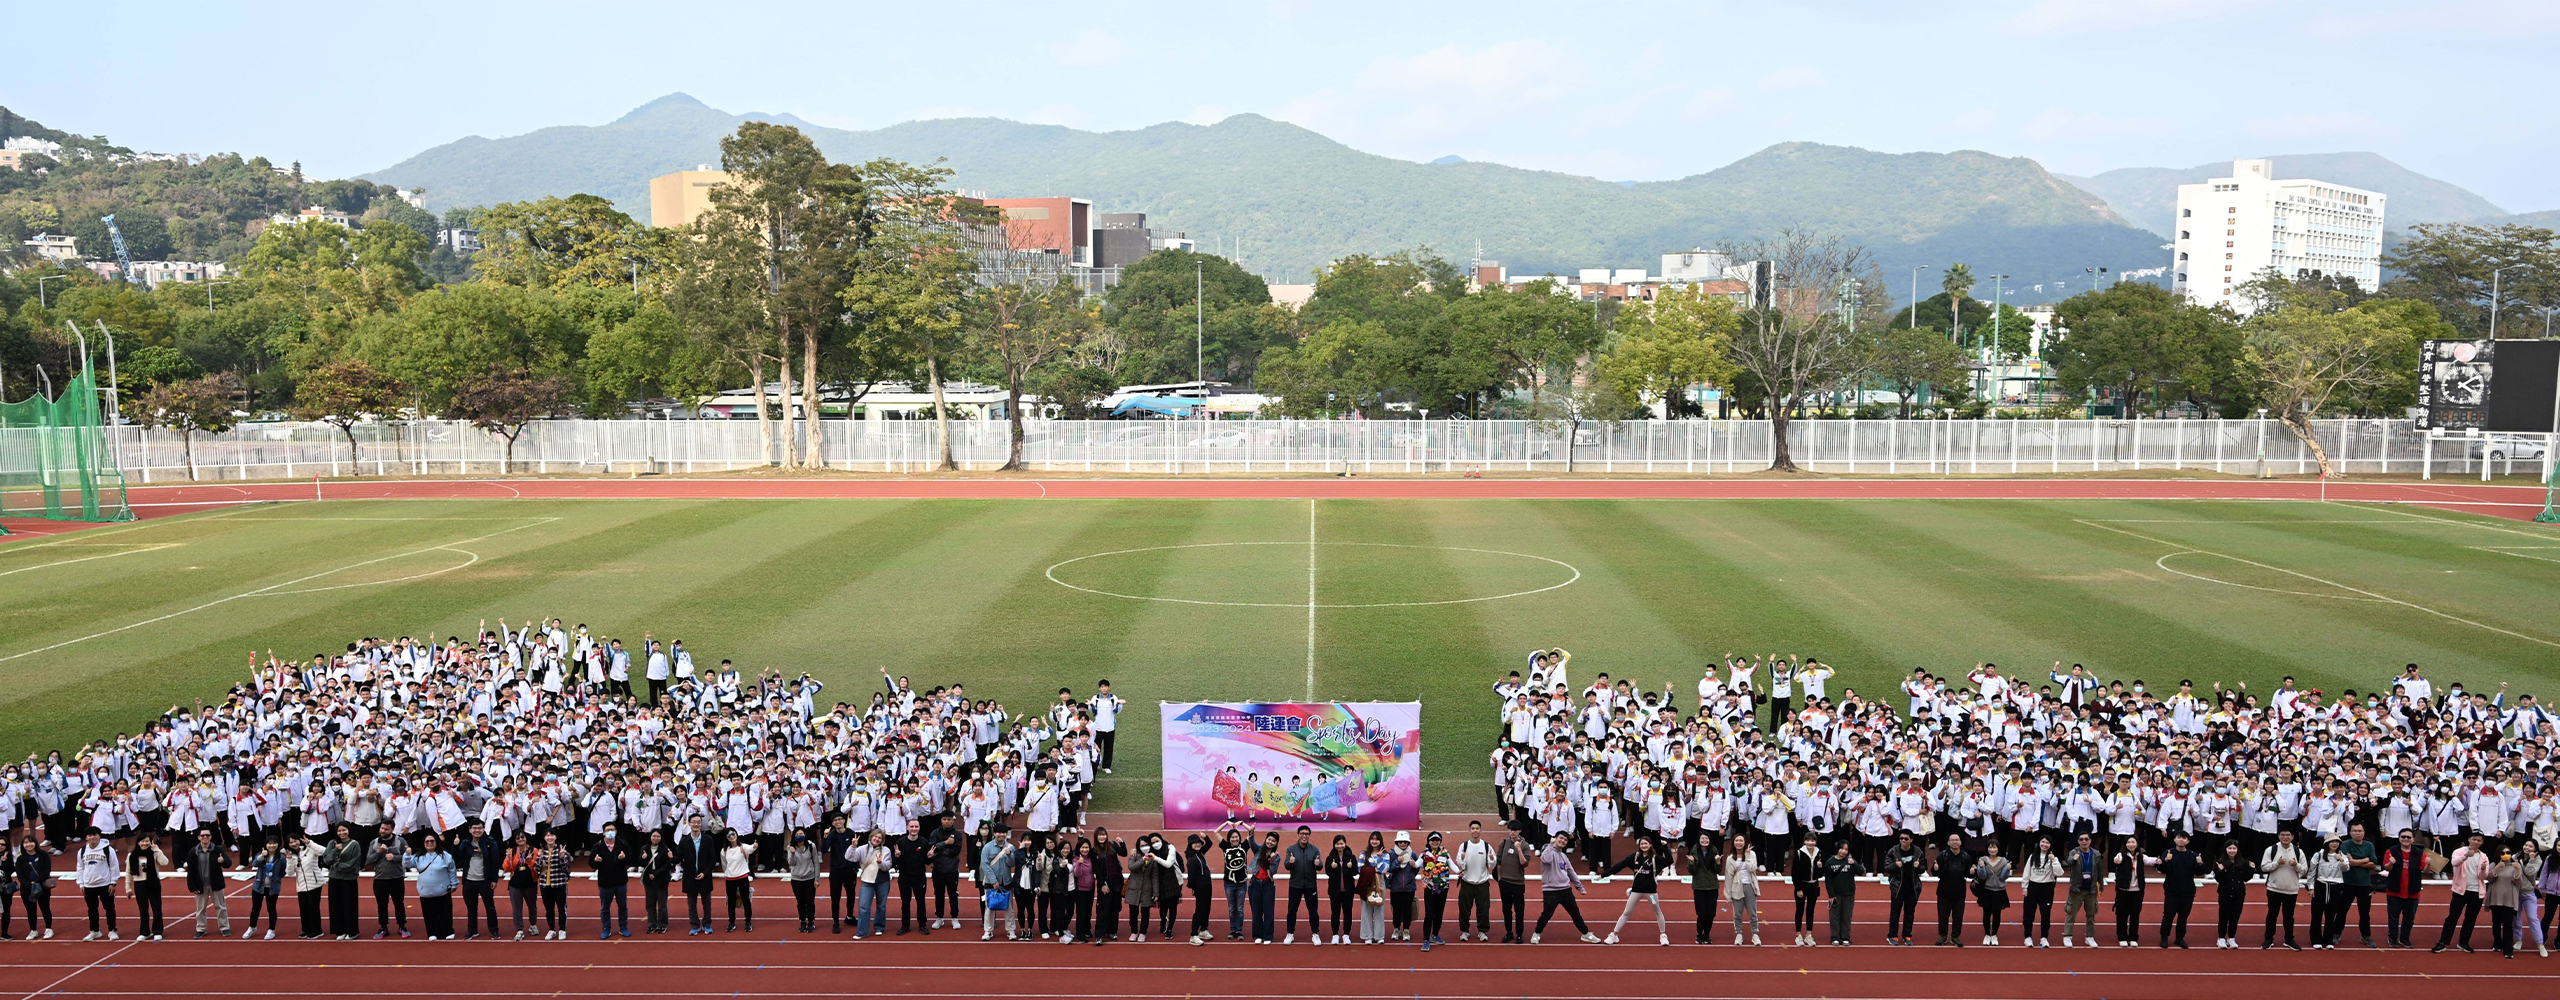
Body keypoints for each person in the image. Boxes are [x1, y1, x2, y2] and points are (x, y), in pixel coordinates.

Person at [1601, 835, 1673, 946]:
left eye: (1646, 843)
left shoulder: (1655, 858)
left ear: (1650, 845)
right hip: (1636, 892)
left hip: (1651, 894)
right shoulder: (1634, 857)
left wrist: (1665, 848)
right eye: (1642, 844)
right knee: (1626, 913)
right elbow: (1620, 866)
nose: (1644, 846)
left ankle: (1663, 935)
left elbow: (1669, 860)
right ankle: (1614, 935)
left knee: (1657, 912)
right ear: (1639, 846)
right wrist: (1604, 875)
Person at [1531, 832, 1598, 944]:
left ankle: (1585, 933)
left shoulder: (1564, 856)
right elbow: (1546, 860)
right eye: (1560, 838)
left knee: (1575, 912)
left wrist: (1579, 887)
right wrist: (1550, 845)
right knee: (1547, 914)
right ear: (1555, 839)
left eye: (1565, 840)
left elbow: (1571, 872)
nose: (1563, 841)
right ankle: (1536, 933)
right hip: (1550, 890)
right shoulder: (1548, 851)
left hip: (1565, 889)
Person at [2434, 832, 2490, 953]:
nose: (2476, 842)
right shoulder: (2459, 852)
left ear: (2482, 842)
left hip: (2476, 892)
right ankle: (2443, 942)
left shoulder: (2483, 857)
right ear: (2469, 839)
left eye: (2479, 840)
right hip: (2460, 891)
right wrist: (2466, 855)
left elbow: (2483, 876)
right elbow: (2454, 863)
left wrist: (2483, 869)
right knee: (2452, 917)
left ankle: (2464, 942)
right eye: (2474, 839)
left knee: (2470, 919)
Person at [453, 819, 502, 940]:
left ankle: (494, 930)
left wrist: (494, 880)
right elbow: (457, 859)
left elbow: (495, 862)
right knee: (471, 908)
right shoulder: (465, 843)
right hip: (469, 880)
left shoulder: (490, 843)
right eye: (474, 828)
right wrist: (455, 846)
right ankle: (472, 931)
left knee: (490, 907)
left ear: (484, 829)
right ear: (470, 830)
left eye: (480, 828)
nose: (477, 830)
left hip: (484, 881)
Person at [2380, 828, 2429, 949]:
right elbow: (2387, 868)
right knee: (2393, 917)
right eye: (2403, 837)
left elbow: (2425, 870)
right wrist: (2391, 863)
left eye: (2408, 837)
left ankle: (2405, 938)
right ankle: (2392, 938)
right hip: (2394, 889)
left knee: (2409, 917)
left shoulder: (2419, 853)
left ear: (2413, 839)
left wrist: (2429, 863)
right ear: (2399, 838)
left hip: (2412, 890)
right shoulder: (2391, 851)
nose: (2405, 839)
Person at [2260, 828, 2306, 950]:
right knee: (2272, 915)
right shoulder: (2271, 849)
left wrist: (2296, 865)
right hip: (2274, 888)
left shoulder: (2298, 851)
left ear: (2292, 837)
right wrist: (2277, 863)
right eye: (2283, 835)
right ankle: (2268, 938)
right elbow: (2264, 867)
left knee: (2289, 916)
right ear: (2279, 836)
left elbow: (2305, 870)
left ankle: (2289, 939)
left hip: (2291, 889)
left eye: (2288, 835)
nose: (2285, 837)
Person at [365, 822, 410, 939]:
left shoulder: (400, 841)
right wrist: (379, 852)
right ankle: (383, 927)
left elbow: (408, 858)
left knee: (399, 903)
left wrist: (394, 858)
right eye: (382, 828)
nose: (383, 831)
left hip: (397, 878)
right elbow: (368, 860)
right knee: (381, 905)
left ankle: (402, 926)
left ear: (392, 830)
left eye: (386, 829)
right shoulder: (374, 843)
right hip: (380, 879)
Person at [2157, 832, 2203, 949]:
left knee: (2183, 917)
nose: (2181, 840)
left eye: (2184, 838)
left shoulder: (2192, 855)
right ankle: (2164, 937)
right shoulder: (2168, 853)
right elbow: (2162, 869)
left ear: (2188, 841)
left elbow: (2199, 872)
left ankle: (2179, 938)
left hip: (2188, 891)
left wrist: (2200, 863)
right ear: (2175, 839)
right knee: (2168, 915)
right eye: (2179, 838)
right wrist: (2166, 861)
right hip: (2172, 890)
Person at [74, 827, 120, 941]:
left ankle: (112, 930)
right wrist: (81, 883)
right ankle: (94, 931)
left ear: (99, 836)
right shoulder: (82, 851)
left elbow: (114, 866)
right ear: (86, 838)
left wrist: (113, 882)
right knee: (92, 909)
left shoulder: (108, 850)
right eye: (89, 835)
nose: (92, 837)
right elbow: (80, 867)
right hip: (89, 885)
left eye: (94, 835)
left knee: (109, 908)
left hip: (105, 884)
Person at [408, 832, 456, 941]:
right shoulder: (418, 857)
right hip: (425, 891)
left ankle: (448, 931)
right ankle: (432, 932)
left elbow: (452, 870)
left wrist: (454, 883)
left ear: (436, 842)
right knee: (429, 913)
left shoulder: (445, 856)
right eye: (427, 841)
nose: (429, 843)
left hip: (443, 890)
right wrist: (407, 855)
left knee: (445, 913)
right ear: (423, 843)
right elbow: (407, 864)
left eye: (432, 841)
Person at [1453, 821, 1493, 944]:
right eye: (1473, 828)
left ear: (1480, 830)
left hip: (1482, 883)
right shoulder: (1464, 846)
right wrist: (1463, 860)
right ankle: (1464, 931)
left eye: (1477, 828)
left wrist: (1491, 860)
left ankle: (1482, 931)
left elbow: (1491, 864)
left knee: (1483, 909)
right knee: (1464, 909)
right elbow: (1459, 863)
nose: (1475, 830)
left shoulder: (1486, 846)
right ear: (1469, 831)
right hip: (1467, 883)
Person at [676, 818, 718, 935]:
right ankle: (694, 925)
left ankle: (707, 924)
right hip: (690, 877)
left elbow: (712, 859)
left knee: (707, 904)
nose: (696, 824)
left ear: (701, 824)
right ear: (689, 824)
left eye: (698, 822)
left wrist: (705, 872)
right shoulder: (684, 841)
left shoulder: (708, 839)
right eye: (693, 822)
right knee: (691, 905)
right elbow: (678, 858)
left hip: (705, 876)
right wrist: (670, 857)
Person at [123, 833, 169, 941]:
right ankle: (144, 931)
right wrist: (128, 888)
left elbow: (165, 862)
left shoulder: (154, 853)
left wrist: (156, 849)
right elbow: (128, 873)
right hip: (139, 884)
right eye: (142, 841)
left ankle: (157, 931)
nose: (144, 843)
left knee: (156, 908)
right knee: (143, 909)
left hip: (153, 883)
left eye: (147, 841)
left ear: (151, 842)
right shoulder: (132, 855)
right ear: (138, 842)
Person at [594, 824, 637, 939]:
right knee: (605, 908)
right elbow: (591, 864)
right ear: (603, 833)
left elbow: (631, 859)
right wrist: (596, 861)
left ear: (616, 831)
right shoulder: (598, 846)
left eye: (612, 830)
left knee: (622, 906)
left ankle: (623, 927)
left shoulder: (622, 844)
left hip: (620, 881)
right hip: (605, 882)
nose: (610, 832)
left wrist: (624, 859)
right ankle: (606, 928)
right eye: (607, 830)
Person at [1282, 826, 1322, 945]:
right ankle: (1290, 933)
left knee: (1313, 911)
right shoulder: (1291, 849)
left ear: (1309, 835)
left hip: (1311, 885)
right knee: (1292, 910)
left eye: (1306, 834)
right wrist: (1290, 862)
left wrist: (1318, 864)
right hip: (1295, 885)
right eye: (1302, 833)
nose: (1304, 836)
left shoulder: (1315, 849)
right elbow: (1286, 866)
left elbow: (1320, 866)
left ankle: (1315, 933)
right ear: (1298, 835)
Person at [2018, 835, 2061, 948]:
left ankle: (2044, 937)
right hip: (2033, 887)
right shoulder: (2032, 856)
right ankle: (2027, 937)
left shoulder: (2053, 858)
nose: (2044, 844)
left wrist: (2054, 860)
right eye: (2043, 842)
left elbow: (2059, 873)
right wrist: (2025, 888)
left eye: (2047, 843)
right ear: (2039, 843)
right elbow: (2026, 873)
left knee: (2045, 914)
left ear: (2050, 845)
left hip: (2046, 888)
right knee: (2029, 914)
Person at [322, 824, 363, 940]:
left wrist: (336, 865)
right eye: (339, 831)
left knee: (349, 906)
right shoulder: (332, 843)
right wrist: (336, 850)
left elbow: (352, 864)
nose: (341, 833)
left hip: (349, 879)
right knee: (335, 906)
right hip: (335, 879)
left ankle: (352, 931)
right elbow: (327, 860)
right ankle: (340, 930)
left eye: (344, 830)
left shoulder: (354, 845)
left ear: (349, 831)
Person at [1821, 839, 1865, 946]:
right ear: (1837, 849)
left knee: (1846, 916)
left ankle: (1845, 937)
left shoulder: (1850, 861)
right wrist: (1831, 895)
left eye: (1846, 849)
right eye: (1842, 848)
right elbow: (1828, 881)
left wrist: (1854, 863)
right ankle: (1835, 937)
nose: (1843, 851)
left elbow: (1860, 872)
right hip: (1835, 894)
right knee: (1834, 916)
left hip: (1849, 893)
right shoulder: (1830, 862)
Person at [2309, 837, 2350, 949]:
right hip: (2321, 885)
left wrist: (2341, 859)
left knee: (2331, 915)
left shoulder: (2342, 856)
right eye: (2332, 842)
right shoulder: (2318, 854)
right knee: (2317, 914)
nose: (2334, 844)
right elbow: (2312, 871)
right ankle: (2316, 939)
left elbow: (2346, 869)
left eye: (2337, 842)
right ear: (2326, 843)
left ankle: (2328, 940)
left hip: (2335, 886)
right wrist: (2311, 887)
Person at [979, 828, 1018, 942]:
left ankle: (1011, 930)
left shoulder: (1010, 847)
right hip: (991, 882)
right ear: (995, 833)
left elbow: (1012, 864)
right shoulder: (987, 847)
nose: (1001, 835)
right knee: (990, 908)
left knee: (1009, 908)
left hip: (1006, 881)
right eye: (999, 832)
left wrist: (1009, 854)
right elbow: (985, 865)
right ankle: (988, 931)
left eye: (1004, 832)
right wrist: (993, 881)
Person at [850, 830, 891, 939]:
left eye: (880, 838)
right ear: (871, 837)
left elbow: (888, 866)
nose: (877, 839)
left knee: (881, 906)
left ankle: (879, 927)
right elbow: (850, 858)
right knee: (863, 906)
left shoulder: (886, 850)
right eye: (875, 837)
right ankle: (862, 932)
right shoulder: (862, 849)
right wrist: (853, 847)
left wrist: (881, 863)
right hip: (867, 880)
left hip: (883, 881)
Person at [1883, 831, 1922, 946]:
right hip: (1898, 887)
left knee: (1910, 913)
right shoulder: (1893, 851)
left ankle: (1907, 935)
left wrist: (1919, 867)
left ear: (1911, 840)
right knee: (1895, 913)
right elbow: (1886, 867)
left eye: (1906, 839)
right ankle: (1892, 935)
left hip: (1913, 887)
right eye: (1901, 839)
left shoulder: (1918, 851)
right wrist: (1895, 865)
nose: (1903, 841)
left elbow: (1923, 868)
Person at [2485, 846, 2525, 958]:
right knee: (2496, 923)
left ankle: (2508, 949)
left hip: (2509, 899)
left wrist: (2517, 870)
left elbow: (2518, 882)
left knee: (2508, 924)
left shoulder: (2515, 866)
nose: (2505, 854)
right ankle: (2497, 943)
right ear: (2499, 854)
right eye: (2503, 853)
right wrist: (2497, 868)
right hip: (2495, 898)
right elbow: (2489, 878)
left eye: (2508, 852)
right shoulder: (2494, 864)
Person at [1723, 833, 1762, 946]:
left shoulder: (1751, 854)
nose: (1739, 843)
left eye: (1741, 841)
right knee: (1737, 914)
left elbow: (1753, 868)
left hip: (1749, 885)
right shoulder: (1730, 858)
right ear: (1733, 843)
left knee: (1752, 912)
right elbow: (1728, 876)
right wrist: (1728, 893)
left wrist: (1748, 856)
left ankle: (1755, 934)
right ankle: (1739, 934)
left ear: (1745, 843)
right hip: (1736, 887)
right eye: (1736, 841)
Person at [245, 836, 287, 940]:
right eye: (269, 843)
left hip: (272, 888)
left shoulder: (281, 858)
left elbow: (282, 872)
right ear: (266, 845)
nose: (272, 845)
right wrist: (261, 857)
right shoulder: (261, 855)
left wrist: (275, 880)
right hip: (259, 886)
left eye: (274, 843)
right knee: (255, 908)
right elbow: (255, 864)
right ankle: (252, 927)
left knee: (271, 909)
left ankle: (271, 930)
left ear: (278, 844)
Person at [1932, 833, 1970, 947]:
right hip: (1944, 891)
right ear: (1948, 843)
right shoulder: (1942, 856)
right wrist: (1935, 869)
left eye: (1957, 840)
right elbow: (1934, 872)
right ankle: (1943, 936)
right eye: (1952, 840)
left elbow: (1970, 873)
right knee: (1943, 915)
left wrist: (1972, 872)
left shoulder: (1965, 856)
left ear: (1960, 842)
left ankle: (1955, 936)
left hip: (1960, 892)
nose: (1954, 842)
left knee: (1958, 916)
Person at [1972, 840, 2012, 946]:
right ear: (1987, 849)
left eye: (1994, 847)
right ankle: (1987, 934)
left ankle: (1994, 934)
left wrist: (2007, 870)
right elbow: (1982, 876)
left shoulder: (2004, 861)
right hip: (1987, 890)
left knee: (1997, 914)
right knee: (1986, 913)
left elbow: (2003, 878)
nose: (1992, 850)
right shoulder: (1982, 859)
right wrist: (1981, 867)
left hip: (1999, 891)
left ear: (1998, 849)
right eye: (1990, 847)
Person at [1495, 827, 1531, 944]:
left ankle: (1519, 934)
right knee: (1506, 909)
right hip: (1504, 882)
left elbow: (1524, 864)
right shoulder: (1504, 843)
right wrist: (1500, 878)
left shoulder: (1525, 845)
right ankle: (1509, 932)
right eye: (1510, 830)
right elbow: (1498, 861)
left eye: (1515, 830)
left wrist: (1519, 849)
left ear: (1520, 831)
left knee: (1519, 910)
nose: (1512, 832)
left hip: (1518, 883)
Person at [287, 831, 326, 939]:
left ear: (299, 840)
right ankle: (306, 929)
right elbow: (290, 872)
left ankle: (317, 930)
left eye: (295, 841)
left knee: (312, 907)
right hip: (301, 885)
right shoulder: (291, 855)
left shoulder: (310, 849)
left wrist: (310, 843)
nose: (293, 844)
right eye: (291, 842)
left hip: (315, 882)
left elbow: (324, 851)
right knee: (303, 908)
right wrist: (289, 859)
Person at [537, 828, 574, 939]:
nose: (549, 837)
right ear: (544, 838)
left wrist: (562, 857)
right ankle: (551, 929)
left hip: (559, 883)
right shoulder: (542, 851)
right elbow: (537, 869)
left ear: (556, 837)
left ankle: (562, 929)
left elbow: (566, 867)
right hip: (545, 884)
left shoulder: (561, 850)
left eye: (552, 835)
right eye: (547, 836)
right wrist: (538, 858)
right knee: (549, 908)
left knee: (561, 908)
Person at [1688, 835, 1725, 945]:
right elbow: (1692, 871)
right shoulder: (1694, 851)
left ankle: (1707, 934)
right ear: (1699, 840)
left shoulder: (1714, 851)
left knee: (1711, 913)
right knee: (1702, 913)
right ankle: (1699, 934)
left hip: (1712, 886)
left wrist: (1718, 862)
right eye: (1702, 839)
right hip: (1699, 887)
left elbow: (1718, 870)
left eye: (1707, 839)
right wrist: (1692, 863)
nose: (1704, 841)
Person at [501, 831, 538, 940]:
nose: (520, 839)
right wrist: (509, 858)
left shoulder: (533, 850)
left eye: (522, 837)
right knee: (517, 908)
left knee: (532, 905)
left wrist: (530, 861)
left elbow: (536, 866)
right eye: (518, 838)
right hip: (515, 884)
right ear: (515, 840)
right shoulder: (511, 851)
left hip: (530, 882)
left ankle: (533, 924)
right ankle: (519, 929)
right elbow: (506, 868)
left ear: (526, 838)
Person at [1322, 833, 1358, 945]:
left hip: (1348, 891)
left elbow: (1356, 872)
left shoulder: (1351, 857)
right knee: (1335, 913)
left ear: (1345, 844)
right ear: (1334, 845)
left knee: (1348, 913)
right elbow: (1327, 872)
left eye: (1341, 843)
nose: (1339, 846)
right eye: (1337, 844)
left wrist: (1351, 868)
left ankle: (1346, 934)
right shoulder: (1330, 857)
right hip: (1335, 892)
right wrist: (1332, 868)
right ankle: (1335, 934)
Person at [1788, 832, 1822, 947]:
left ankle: (1809, 934)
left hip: (1814, 885)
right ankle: (1798, 935)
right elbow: (1795, 873)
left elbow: (1820, 874)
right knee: (1800, 910)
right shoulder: (1799, 853)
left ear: (1815, 842)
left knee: (1810, 911)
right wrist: (1798, 888)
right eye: (1808, 840)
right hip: (1802, 885)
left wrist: (1819, 868)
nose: (1810, 843)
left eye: (1812, 841)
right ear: (1804, 841)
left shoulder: (1819, 853)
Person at [640, 829, 676, 934]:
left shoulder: (665, 849)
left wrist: (655, 874)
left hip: (661, 880)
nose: (655, 838)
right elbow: (640, 863)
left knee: (662, 904)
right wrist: (643, 858)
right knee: (650, 904)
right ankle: (652, 924)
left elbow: (667, 865)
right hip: (649, 881)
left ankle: (662, 924)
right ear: (650, 837)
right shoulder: (644, 849)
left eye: (658, 836)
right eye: (654, 836)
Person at [785, 828, 821, 934]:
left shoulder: (811, 846)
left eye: (801, 834)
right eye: (797, 834)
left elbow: (816, 862)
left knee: (810, 902)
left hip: (809, 878)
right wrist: (792, 853)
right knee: (800, 902)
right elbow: (791, 863)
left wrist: (817, 878)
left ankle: (810, 921)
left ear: (805, 835)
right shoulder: (790, 846)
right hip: (796, 879)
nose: (799, 836)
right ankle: (802, 920)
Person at [1356, 832, 1387, 945]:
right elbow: (1359, 868)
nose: (1374, 841)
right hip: (1366, 883)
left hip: (1380, 882)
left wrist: (1379, 859)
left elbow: (1384, 870)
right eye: (1372, 839)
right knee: (1366, 909)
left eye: (1377, 839)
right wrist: (1373, 870)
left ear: (1380, 841)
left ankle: (1379, 936)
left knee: (1379, 908)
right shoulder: (1363, 854)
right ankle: (1367, 936)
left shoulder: (1385, 855)